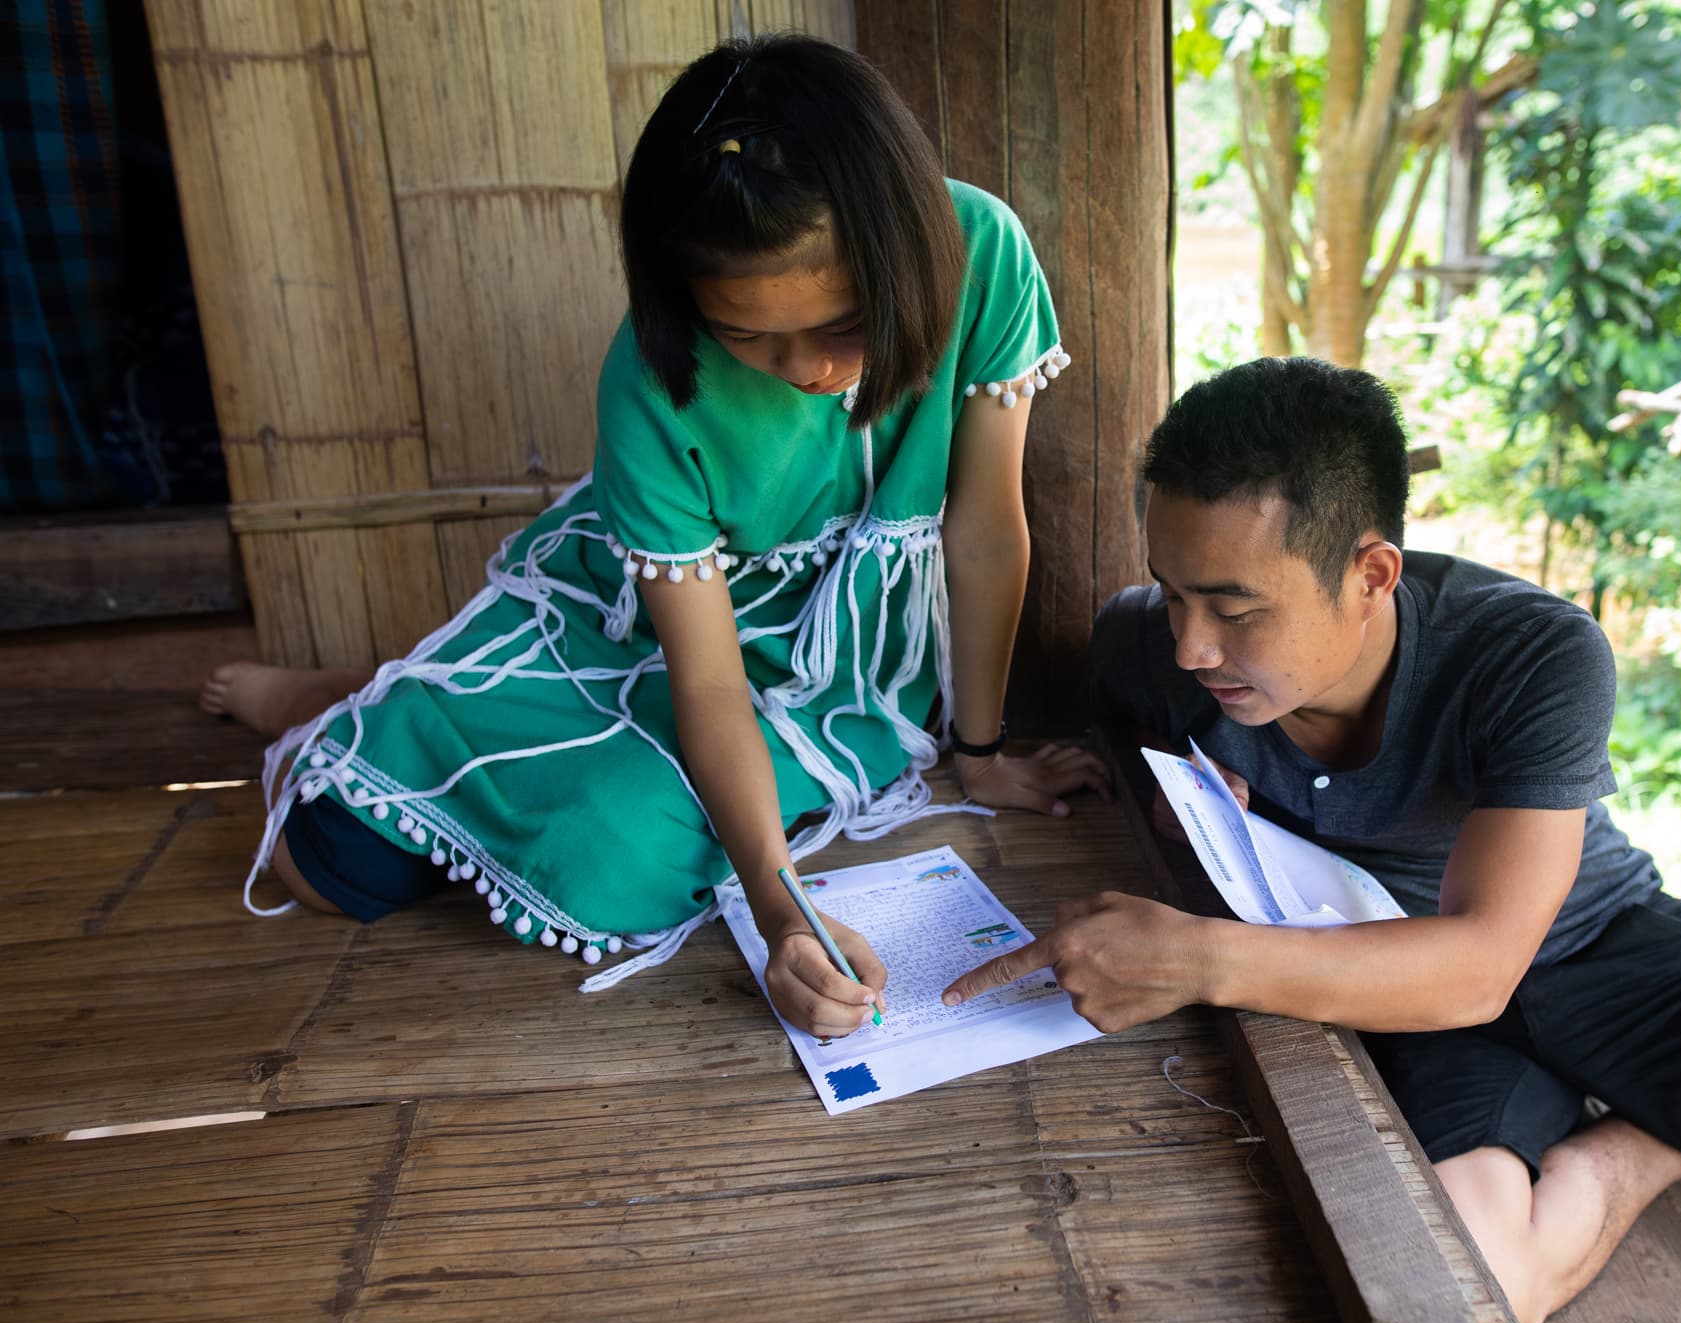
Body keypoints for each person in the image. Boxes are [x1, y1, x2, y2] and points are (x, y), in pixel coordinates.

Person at [943, 357, 1681, 1323]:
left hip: (1597, 950)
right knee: (1471, 1283)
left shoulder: (1530, 651)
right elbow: (1152, 755)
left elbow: (1485, 961)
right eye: (1173, 593)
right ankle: (1656, 1143)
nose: (1190, 643)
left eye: (1233, 607)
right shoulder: (1144, 650)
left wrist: (1194, 960)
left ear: (1370, 574)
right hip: (1381, 966)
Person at [200, 34, 1107, 1022]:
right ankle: (361, 705)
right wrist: (781, 911)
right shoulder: (648, 377)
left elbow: (981, 530)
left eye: (843, 323)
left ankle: (414, 695)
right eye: (747, 335)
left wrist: (977, 748)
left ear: (907, 255)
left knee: (616, 860)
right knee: (337, 864)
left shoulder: (982, 250)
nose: (805, 369)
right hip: (644, 621)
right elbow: (708, 676)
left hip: (844, 654)